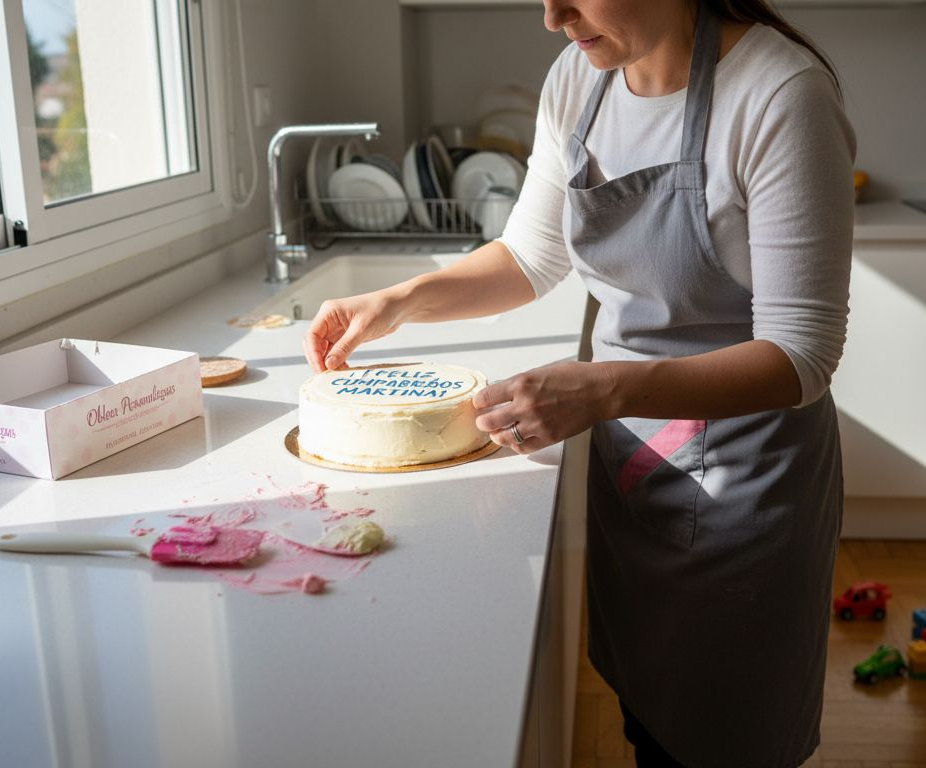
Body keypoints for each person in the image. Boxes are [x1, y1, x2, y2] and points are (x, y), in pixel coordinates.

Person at [304, 0, 855, 764]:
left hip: (745, 485)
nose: (552, 15)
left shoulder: (778, 93)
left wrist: (605, 389)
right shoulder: (581, 77)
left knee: (729, 735)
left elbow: (802, 355)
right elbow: (531, 256)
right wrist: (399, 300)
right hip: (633, 468)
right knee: (650, 717)